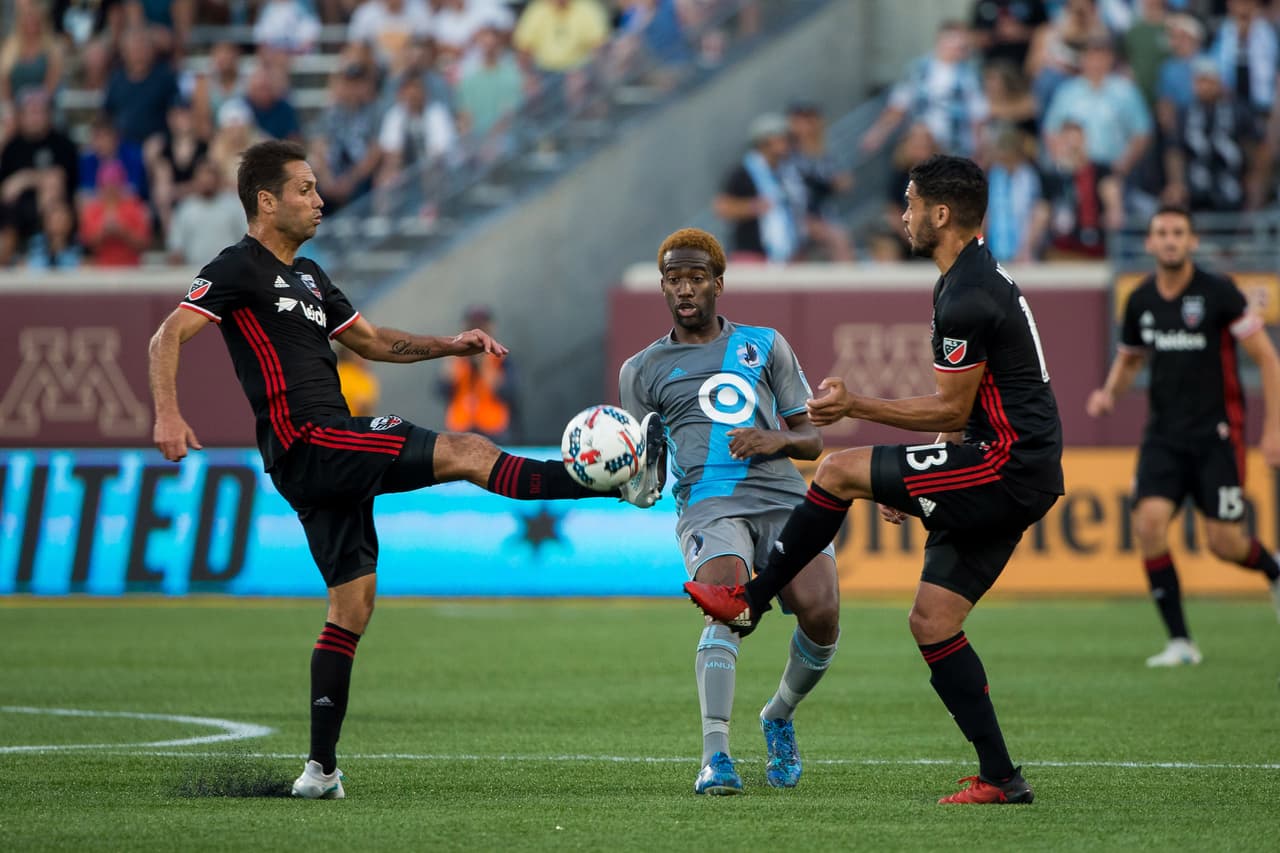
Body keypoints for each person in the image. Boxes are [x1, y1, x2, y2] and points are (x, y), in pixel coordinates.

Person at [146, 139, 665, 800]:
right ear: (266, 200)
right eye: (305, 189)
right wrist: (167, 412)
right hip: (313, 440)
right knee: (470, 452)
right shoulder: (236, 269)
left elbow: (370, 341)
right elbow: (167, 334)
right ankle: (623, 481)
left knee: (352, 604)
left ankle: (320, 771)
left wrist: (452, 344)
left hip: (324, 457)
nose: (319, 199)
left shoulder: (310, 278)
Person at [686, 154, 1064, 805]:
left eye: (913, 203)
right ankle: (1002, 776)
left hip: (1007, 463)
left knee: (838, 467)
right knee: (932, 621)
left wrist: (857, 405)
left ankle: (752, 597)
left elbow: (951, 407)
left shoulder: (967, 293)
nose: (904, 214)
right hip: (1010, 463)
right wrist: (930, 473)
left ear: (941, 214)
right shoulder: (967, 277)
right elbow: (970, 402)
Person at [620, 227, 838, 795]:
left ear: (718, 283)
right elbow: (644, 464)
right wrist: (634, 482)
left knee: (822, 615)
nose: (685, 289)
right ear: (663, 287)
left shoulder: (766, 344)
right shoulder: (640, 370)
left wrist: (775, 441)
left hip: (785, 498)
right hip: (709, 506)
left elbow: (812, 440)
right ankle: (715, 756)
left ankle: (778, 717)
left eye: (696, 278)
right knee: (725, 606)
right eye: (674, 279)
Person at [1085, 205, 1280, 667]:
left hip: (1217, 437)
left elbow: (1268, 360)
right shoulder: (1140, 299)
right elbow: (1131, 357)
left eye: (1178, 232)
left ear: (1192, 241)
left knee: (1224, 543)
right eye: (1162, 233)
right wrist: (1109, 394)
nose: (1170, 240)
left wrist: (1273, 431)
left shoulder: (1219, 293)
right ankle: (1180, 642)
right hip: (1163, 437)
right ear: (1150, 244)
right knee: (1148, 524)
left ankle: (1272, 568)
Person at [713, 113, 804, 264]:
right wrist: (754, 206)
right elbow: (722, 208)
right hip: (752, 255)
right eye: (781, 138)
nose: (787, 143)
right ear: (764, 142)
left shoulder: (789, 172)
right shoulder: (743, 173)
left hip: (788, 256)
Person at [438, 305, 518, 443]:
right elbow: (441, 390)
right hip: (460, 430)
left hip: (494, 431)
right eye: (472, 327)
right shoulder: (455, 357)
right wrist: (452, 361)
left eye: (482, 328)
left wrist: (485, 363)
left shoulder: (502, 357)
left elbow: (509, 393)